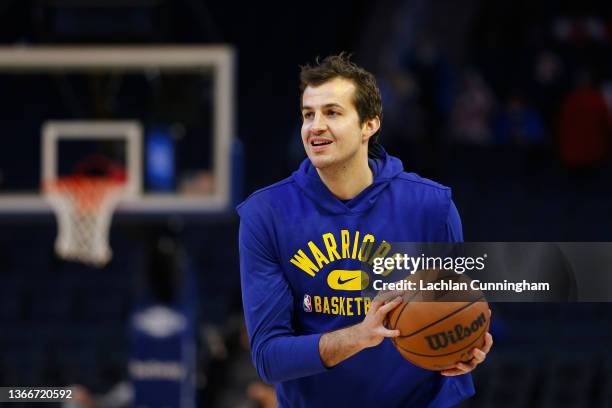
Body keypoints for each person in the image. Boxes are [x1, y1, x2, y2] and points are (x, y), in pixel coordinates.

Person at [237, 53, 493, 407]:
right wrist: (360, 335)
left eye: (332, 112)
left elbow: (454, 310)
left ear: (369, 124)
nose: (315, 126)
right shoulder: (266, 214)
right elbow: (268, 357)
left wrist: (466, 347)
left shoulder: (432, 206)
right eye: (308, 114)